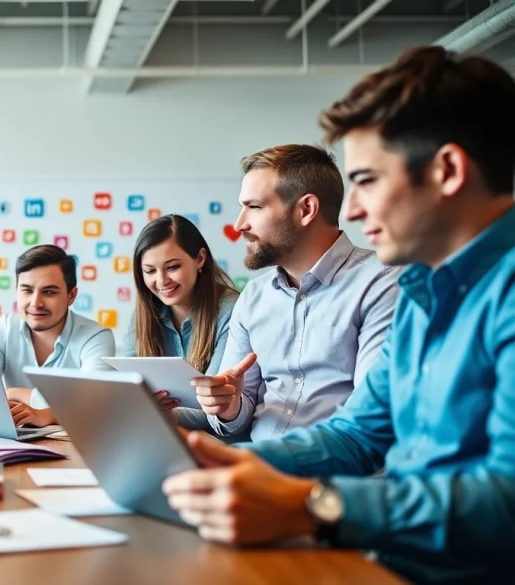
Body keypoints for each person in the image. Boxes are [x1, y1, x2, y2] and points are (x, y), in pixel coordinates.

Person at [163, 46, 515, 584]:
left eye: (367, 180)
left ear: (447, 170)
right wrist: (230, 466)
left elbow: (505, 501)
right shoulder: (423, 291)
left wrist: (314, 505)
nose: (349, 209)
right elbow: (357, 435)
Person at [192, 143, 399, 441]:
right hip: (257, 459)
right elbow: (236, 414)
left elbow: (370, 417)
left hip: (332, 463)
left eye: (254, 207)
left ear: (306, 210)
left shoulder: (382, 283)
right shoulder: (253, 296)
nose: (239, 224)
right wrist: (228, 406)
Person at [117, 214, 239, 429]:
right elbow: (124, 391)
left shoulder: (231, 311)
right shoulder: (142, 315)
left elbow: (218, 405)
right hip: (159, 433)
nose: (161, 280)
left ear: (200, 259)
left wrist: (166, 415)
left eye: (172, 267)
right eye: (150, 271)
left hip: (216, 440)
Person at [0, 244, 116, 428]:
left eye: (49, 292)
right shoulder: (3, 330)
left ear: (71, 295)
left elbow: (93, 402)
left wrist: (26, 400)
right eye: (27, 290)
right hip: (10, 439)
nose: (36, 303)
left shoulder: (96, 337)